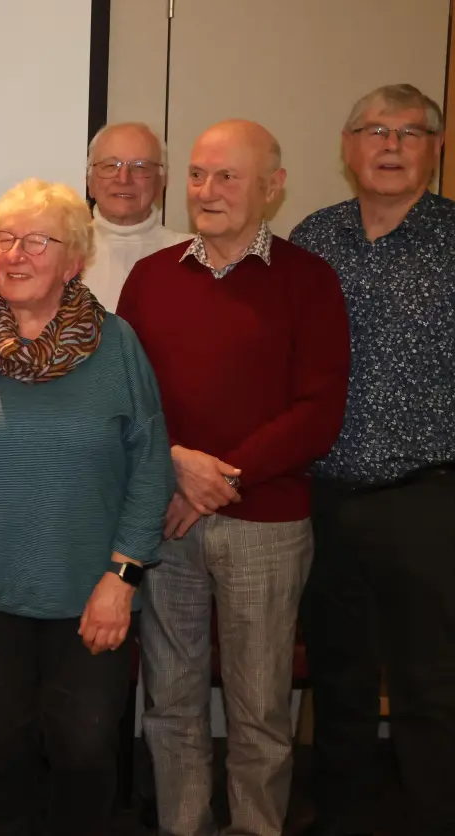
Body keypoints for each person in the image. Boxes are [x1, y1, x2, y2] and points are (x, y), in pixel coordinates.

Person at [117, 120, 350, 836]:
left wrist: (225, 479)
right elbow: (126, 399)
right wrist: (177, 468)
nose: (206, 191)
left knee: (257, 712)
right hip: (167, 521)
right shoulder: (151, 278)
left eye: (227, 177)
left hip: (268, 527)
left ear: (272, 189)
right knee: (172, 704)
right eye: (196, 175)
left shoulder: (308, 280)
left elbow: (320, 409)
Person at [292, 83, 455, 836]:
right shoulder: (314, 238)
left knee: (427, 685)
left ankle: (440, 822)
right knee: (339, 681)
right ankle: (341, 819)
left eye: (410, 133)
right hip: (326, 497)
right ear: (347, 147)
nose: (390, 145)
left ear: (435, 152)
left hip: (428, 500)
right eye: (374, 130)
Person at [0, 178, 171, 834]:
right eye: (5, 239)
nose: (15, 254)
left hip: (89, 596)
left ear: (74, 260)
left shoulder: (118, 345)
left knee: (86, 752)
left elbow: (150, 466)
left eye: (37, 241)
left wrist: (122, 578)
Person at [83, 122, 188, 311]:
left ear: (161, 182)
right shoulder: (60, 255)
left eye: (140, 167)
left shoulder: (191, 257)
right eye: (110, 166)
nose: (123, 179)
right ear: (89, 181)